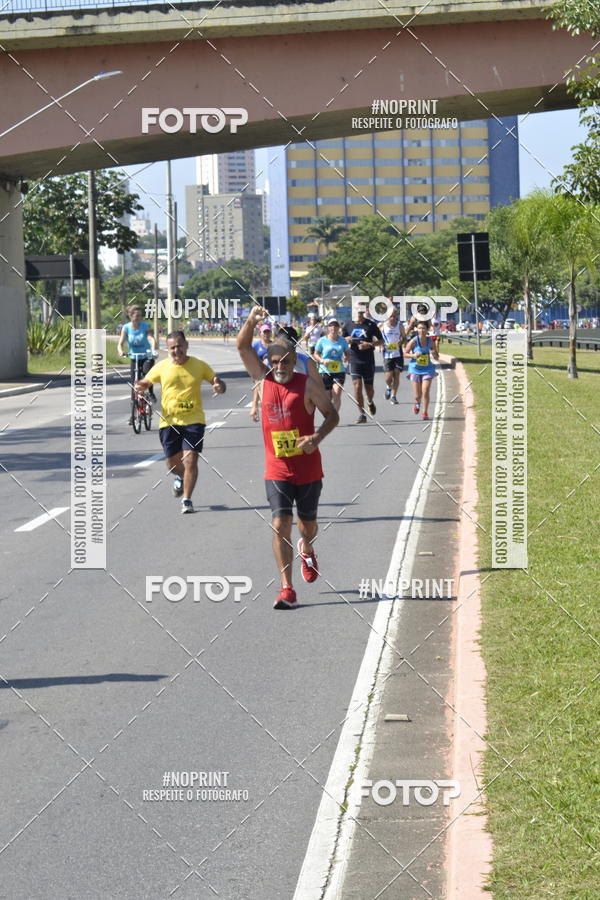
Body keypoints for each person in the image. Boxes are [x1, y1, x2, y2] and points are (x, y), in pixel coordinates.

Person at [237, 306, 339, 610]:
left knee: (307, 526)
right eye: (274, 361)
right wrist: (250, 321)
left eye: (285, 361)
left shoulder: (307, 385)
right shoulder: (262, 381)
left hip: (308, 469)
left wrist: (317, 438)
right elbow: (242, 346)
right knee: (280, 523)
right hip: (277, 469)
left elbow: (332, 416)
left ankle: (307, 547)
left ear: (295, 362)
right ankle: (286, 588)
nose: (279, 366)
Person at [135, 331, 226, 514]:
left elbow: (218, 382)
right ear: (168, 349)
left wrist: (219, 386)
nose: (177, 350)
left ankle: (187, 499)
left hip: (194, 420)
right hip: (169, 421)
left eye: (180, 346)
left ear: (186, 345)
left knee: (191, 459)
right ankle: (181, 478)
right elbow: (146, 381)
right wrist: (140, 386)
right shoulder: (162, 367)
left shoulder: (199, 365)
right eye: (173, 347)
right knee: (172, 464)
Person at [342, 308, 383, 423]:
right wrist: (346, 340)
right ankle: (362, 414)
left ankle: (369, 401)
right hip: (354, 359)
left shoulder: (370, 325)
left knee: (369, 389)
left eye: (361, 311)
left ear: (364, 312)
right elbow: (341, 340)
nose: (359, 313)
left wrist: (369, 344)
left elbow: (381, 341)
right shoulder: (348, 324)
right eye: (357, 311)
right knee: (357, 385)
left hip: (368, 359)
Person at [118, 304, 157, 416]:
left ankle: (151, 392)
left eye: (140, 315)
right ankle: (133, 415)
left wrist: (153, 349)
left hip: (147, 354)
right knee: (134, 384)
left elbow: (151, 338)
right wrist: (121, 351)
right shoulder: (126, 328)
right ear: (130, 316)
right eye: (136, 316)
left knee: (146, 375)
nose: (138, 318)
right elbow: (121, 343)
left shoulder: (146, 326)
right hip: (134, 356)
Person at [405, 321, 439, 420]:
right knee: (417, 395)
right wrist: (414, 355)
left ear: (427, 330)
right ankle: (417, 402)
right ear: (417, 329)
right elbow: (405, 353)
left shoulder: (430, 341)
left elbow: (437, 357)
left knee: (425, 391)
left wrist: (434, 353)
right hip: (415, 369)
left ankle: (425, 412)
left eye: (423, 328)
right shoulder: (414, 341)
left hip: (427, 369)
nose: (421, 330)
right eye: (419, 328)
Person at [313, 319, 349, 412]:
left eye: (336, 325)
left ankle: (334, 417)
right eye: (331, 325)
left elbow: (347, 352)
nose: (333, 327)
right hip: (325, 371)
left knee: (337, 392)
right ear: (328, 328)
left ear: (338, 328)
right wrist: (322, 360)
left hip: (339, 370)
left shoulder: (343, 340)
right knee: (327, 397)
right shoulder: (322, 340)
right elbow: (315, 354)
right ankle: (329, 416)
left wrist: (346, 357)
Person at [380, 306, 406, 405]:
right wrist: (381, 345)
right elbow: (376, 338)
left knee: (397, 374)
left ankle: (394, 396)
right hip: (387, 354)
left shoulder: (400, 326)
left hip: (398, 353)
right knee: (388, 376)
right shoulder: (382, 326)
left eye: (395, 316)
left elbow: (404, 338)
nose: (393, 318)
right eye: (391, 316)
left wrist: (401, 341)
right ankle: (388, 387)